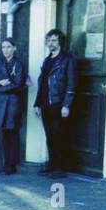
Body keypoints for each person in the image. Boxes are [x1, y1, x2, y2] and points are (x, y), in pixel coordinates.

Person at [34, 29, 76, 177]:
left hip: (58, 102)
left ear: (60, 42)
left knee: (59, 136)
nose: (50, 43)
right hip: (46, 103)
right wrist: (37, 103)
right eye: (49, 40)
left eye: (53, 40)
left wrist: (66, 105)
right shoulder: (47, 60)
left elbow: (71, 83)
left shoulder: (67, 59)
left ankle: (61, 168)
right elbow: (42, 82)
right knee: (50, 136)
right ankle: (52, 165)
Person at [0, 38, 28, 174]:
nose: (5, 50)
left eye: (8, 47)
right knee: (4, 134)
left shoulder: (18, 64)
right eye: (3, 47)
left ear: (14, 48)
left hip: (13, 103)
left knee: (12, 133)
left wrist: (2, 87)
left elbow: (18, 84)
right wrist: (0, 83)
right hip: (2, 104)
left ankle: (11, 165)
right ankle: (4, 163)